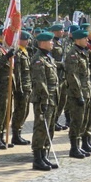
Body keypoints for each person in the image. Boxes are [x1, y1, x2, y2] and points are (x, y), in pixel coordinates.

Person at [30, 31, 59, 171]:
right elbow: (40, 83)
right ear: (43, 43)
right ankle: (37, 159)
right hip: (43, 99)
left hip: (52, 98)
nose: (52, 43)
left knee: (50, 128)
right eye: (50, 41)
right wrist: (45, 100)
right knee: (41, 128)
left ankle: (44, 155)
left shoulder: (48, 58)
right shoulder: (38, 59)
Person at [65, 29, 91, 159]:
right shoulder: (73, 54)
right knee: (76, 121)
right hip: (77, 94)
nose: (87, 40)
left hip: (86, 91)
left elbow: (86, 76)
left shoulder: (83, 53)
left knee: (84, 120)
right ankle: (74, 148)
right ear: (77, 40)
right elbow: (73, 76)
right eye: (85, 38)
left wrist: (89, 92)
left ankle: (80, 146)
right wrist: (79, 94)